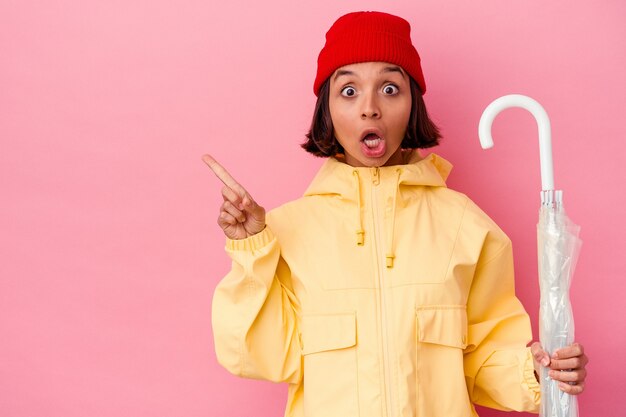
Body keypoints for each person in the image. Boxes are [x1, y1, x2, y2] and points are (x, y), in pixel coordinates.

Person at [204, 11, 588, 417]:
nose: (370, 108)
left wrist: (539, 371)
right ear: (327, 111)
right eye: (348, 91)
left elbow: (484, 359)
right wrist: (251, 250)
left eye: (390, 88)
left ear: (413, 104)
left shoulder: (466, 226)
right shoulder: (286, 231)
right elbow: (254, 352)